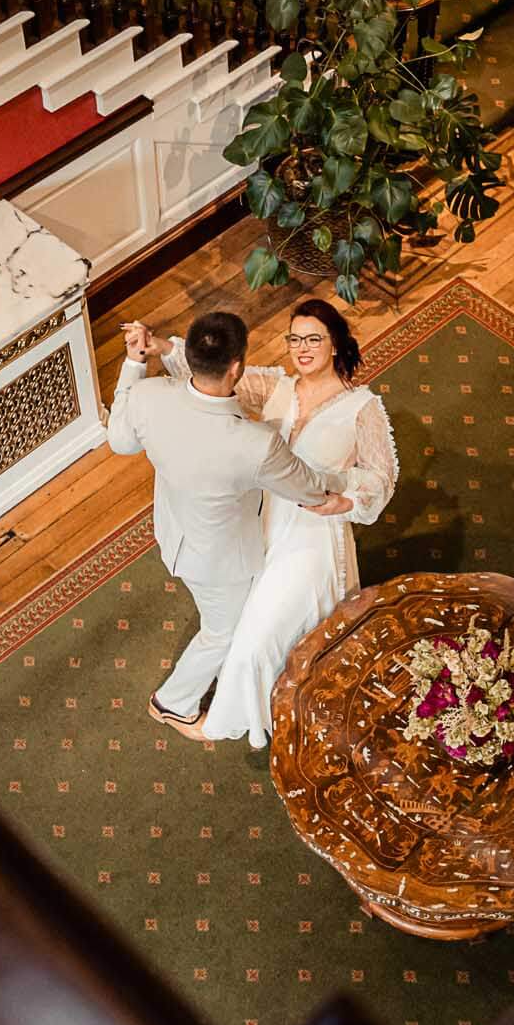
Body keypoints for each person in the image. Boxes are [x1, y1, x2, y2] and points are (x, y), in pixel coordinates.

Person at [133, 300, 399, 750]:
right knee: (248, 621)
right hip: (258, 523)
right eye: (295, 338)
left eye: (313, 338)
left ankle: (230, 719)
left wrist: (345, 500)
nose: (302, 348)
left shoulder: (363, 408)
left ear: (335, 343)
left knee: (255, 639)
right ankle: (271, 688)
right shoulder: (275, 387)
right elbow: (211, 374)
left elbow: (381, 477)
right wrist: (161, 346)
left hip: (310, 533)